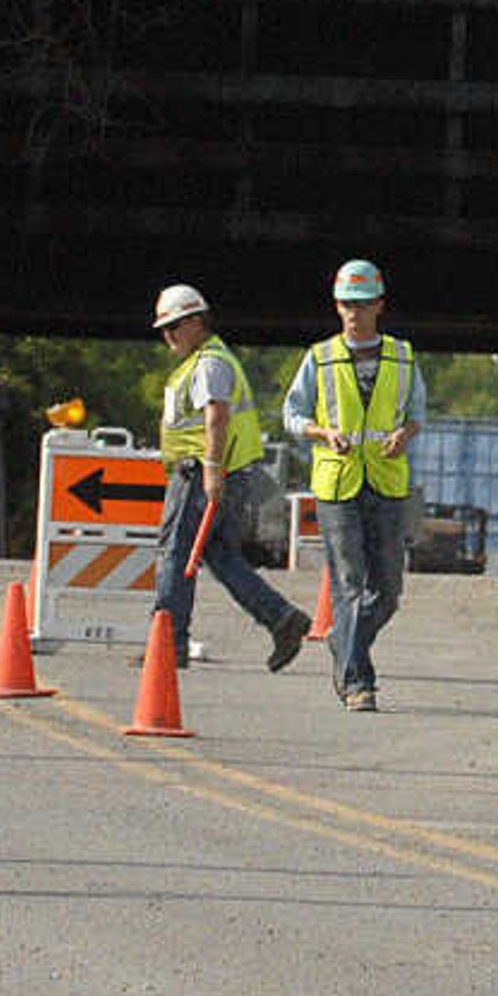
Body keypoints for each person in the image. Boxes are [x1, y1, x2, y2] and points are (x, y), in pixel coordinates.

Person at [146, 283, 309, 676]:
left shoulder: (209, 363)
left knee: (175, 553)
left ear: (197, 321)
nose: (168, 335)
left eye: (175, 326)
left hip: (202, 473)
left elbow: (216, 416)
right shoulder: (204, 360)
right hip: (219, 474)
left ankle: (169, 644)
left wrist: (212, 471)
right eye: (164, 328)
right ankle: (281, 618)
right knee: (220, 556)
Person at [278, 258, 419, 711]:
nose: (354, 313)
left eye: (362, 304)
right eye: (346, 305)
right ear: (337, 308)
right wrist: (322, 433)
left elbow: (417, 414)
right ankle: (359, 682)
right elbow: (292, 415)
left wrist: (404, 435)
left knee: (389, 592)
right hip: (337, 485)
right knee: (350, 583)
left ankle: (343, 641)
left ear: (379, 305)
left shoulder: (402, 356)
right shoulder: (319, 358)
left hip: (386, 482)